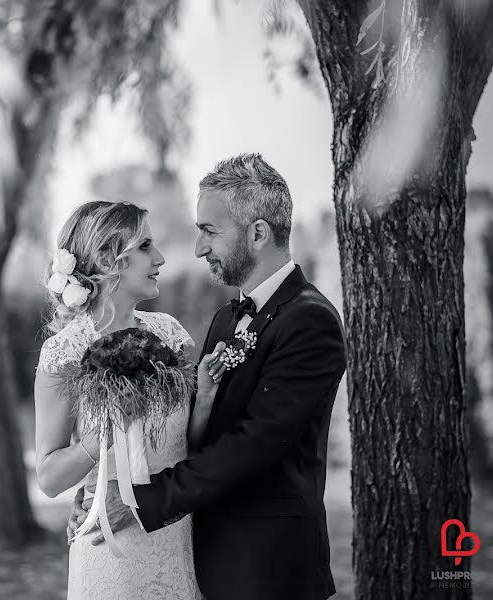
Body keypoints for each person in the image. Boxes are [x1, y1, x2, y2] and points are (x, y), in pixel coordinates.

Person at [69, 153, 347, 600]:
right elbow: (193, 436)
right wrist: (102, 489)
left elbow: (253, 445)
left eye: (209, 231)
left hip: (270, 571)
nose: (198, 248)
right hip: (204, 562)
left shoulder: (310, 321)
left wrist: (141, 502)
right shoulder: (223, 319)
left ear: (258, 233)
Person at [34, 200, 206, 599]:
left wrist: (209, 395)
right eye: (145, 247)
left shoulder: (171, 334)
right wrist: (99, 442)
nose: (160, 257)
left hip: (179, 540)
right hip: (110, 552)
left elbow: (196, 442)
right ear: (108, 259)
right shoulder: (63, 353)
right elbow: (48, 476)